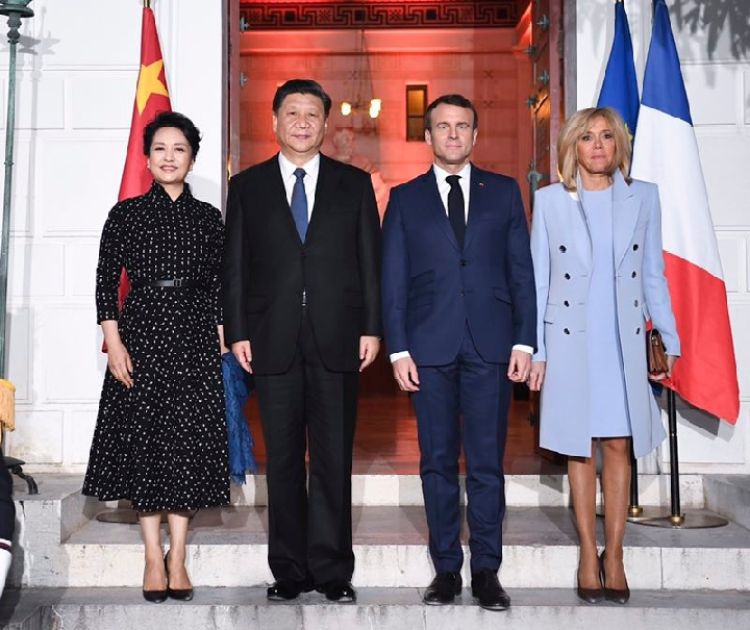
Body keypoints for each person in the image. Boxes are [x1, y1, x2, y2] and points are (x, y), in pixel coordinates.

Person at [222, 79, 381, 603]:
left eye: (312, 114)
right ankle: (289, 569)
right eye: (292, 113)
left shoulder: (353, 184)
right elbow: (235, 267)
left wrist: (372, 327)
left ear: (326, 123)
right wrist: (237, 331)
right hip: (271, 338)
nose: (302, 123)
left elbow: (370, 261)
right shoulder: (247, 187)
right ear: (275, 121)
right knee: (285, 459)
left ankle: (333, 570)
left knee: (333, 458)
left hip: (339, 337)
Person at [381, 94, 536, 611]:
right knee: (438, 461)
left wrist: (524, 340)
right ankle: (446, 568)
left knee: (488, 462)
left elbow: (521, 271)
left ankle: (487, 569)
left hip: (491, 344)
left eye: (462, 126)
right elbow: (393, 279)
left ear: (475, 135)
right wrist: (398, 349)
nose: (452, 134)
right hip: (429, 347)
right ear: (427, 136)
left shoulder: (504, 192)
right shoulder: (405, 198)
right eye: (443, 126)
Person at [528, 107, 680, 605]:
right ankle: (586, 554)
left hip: (621, 339)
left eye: (607, 136)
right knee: (579, 446)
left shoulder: (644, 197)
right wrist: (537, 351)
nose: (597, 145)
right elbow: (539, 281)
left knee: (617, 443)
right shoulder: (550, 201)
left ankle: (614, 555)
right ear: (572, 145)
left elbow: (653, 273)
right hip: (570, 339)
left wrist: (669, 338)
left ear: (620, 145)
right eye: (588, 137)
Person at [83, 111, 229, 603]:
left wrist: (221, 337)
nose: (169, 157)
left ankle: (178, 555)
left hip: (194, 338)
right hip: (141, 335)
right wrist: (114, 342)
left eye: (179, 149)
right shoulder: (125, 215)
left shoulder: (208, 217)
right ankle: (151, 555)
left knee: (185, 444)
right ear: (146, 158)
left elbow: (219, 286)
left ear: (192, 159)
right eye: (160, 149)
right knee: (145, 444)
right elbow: (106, 283)